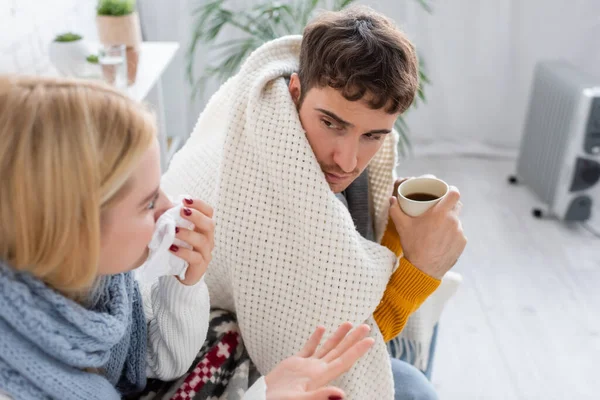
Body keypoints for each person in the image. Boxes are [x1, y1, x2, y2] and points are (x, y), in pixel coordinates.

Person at [0, 75, 378, 400]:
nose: (169, 206)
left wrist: (183, 283)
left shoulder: (103, 286)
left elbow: (160, 362)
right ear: (74, 228)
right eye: (148, 202)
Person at [160, 5, 466, 400]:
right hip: (196, 349)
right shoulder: (265, 169)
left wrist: (394, 225)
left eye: (372, 136)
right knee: (413, 385)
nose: (348, 159)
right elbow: (333, 354)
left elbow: (344, 278)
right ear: (294, 90)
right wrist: (423, 268)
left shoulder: (334, 162)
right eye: (331, 124)